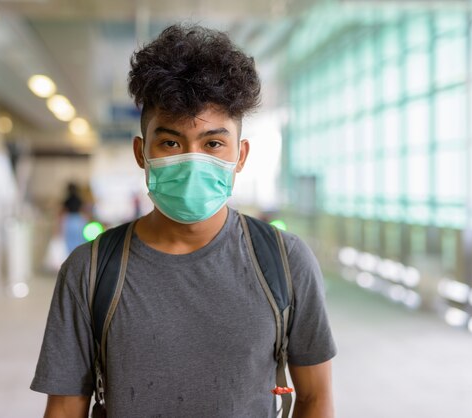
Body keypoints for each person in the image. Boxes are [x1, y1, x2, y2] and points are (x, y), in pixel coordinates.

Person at [31, 24, 337, 417]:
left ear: (239, 156)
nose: (193, 160)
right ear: (142, 152)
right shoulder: (89, 271)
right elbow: (64, 408)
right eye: (172, 142)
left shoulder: (285, 261)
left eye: (213, 143)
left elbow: (316, 398)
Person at [60, 182, 88, 253]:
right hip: (79, 220)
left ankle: (71, 256)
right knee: (79, 239)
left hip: (70, 220)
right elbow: (83, 210)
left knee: (70, 240)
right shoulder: (79, 199)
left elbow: (63, 212)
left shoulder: (67, 200)